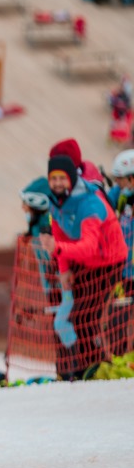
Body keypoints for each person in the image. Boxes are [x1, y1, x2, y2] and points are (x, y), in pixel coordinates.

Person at [43, 155, 128, 379]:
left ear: (71, 179)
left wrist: (57, 249)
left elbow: (88, 246)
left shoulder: (89, 204)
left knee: (86, 315)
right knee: (74, 316)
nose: (58, 183)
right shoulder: (57, 202)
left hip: (108, 262)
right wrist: (64, 270)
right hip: (85, 262)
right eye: (54, 178)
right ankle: (84, 366)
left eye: (62, 178)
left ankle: (96, 364)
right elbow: (60, 233)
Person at [107, 151, 134, 355]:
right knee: (118, 316)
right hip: (123, 271)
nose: (118, 183)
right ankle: (121, 356)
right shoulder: (122, 197)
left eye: (121, 179)